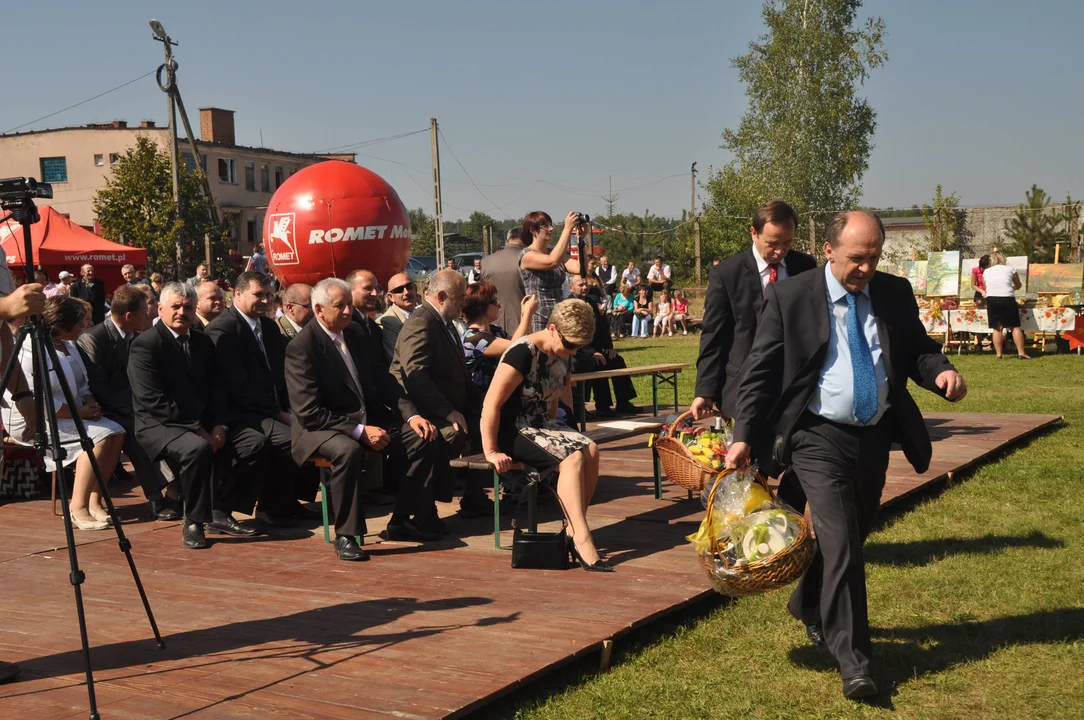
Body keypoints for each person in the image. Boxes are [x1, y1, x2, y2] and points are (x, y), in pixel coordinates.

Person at [726, 210, 967, 700]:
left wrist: (940, 371)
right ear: (830, 250)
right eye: (857, 257)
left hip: (874, 434)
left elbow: (916, 349)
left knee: (855, 532)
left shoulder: (893, 292)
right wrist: (744, 434)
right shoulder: (790, 296)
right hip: (816, 437)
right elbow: (760, 373)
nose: (866, 267)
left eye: (874, 257)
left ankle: (809, 602)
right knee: (842, 545)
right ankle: (856, 664)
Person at [287, 278, 439, 558]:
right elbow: (309, 411)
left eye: (348, 305)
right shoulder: (302, 347)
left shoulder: (356, 334)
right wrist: (358, 430)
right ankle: (347, 535)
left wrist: (411, 416)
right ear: (319, 310)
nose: (347, 311)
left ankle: (402, 520)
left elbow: (385, 381)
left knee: (423, 437)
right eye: (339, 306)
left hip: (363, 420)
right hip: (319, 428)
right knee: (348, 450)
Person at [481, 299, 610, 571]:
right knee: (572, 458)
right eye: (570, 345)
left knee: (591, 449)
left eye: (578, 347)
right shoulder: (521, 353)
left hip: (542, 425)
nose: (572, 351)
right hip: (514, 428)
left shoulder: (562, 351)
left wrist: (562, 430)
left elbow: (554, 399)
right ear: (552, 329)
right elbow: (491, 404)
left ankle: (576, 526)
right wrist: (491, 451)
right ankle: (581, 537)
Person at [4, 296, 126, 530]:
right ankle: (77, 507)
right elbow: (38, 401)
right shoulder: (29, 350)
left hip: (72, 411)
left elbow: (82, 384)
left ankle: (94, 499)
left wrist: (90, 403)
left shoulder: (70, 346)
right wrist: (80, 412)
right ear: (62, 325)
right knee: (95, 439)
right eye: (80, 323)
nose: (86, 327)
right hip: (32, 419)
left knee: (117, 432)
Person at [692, 200, 818, 422]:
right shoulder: (727, 274)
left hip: (796, 387)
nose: (780, 251)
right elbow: (714, 335)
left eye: (787, 242)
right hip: (743, 387)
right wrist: (705, 390)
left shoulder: (805, 267)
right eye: (772, 243)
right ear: (754, 233)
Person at [128, 282, 230, 549]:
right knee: (197, 449)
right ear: (160, 309)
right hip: (158, 423)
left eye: (188, 307)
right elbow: (152, 400)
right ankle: (194, 521)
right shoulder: (146, 345)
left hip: (198, 419)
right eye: (175, 306)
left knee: (249, 440)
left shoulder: (202, 342)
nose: (181, 312)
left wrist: (220, 423)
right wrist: (198, 428)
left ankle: (221, 511)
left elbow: (216, 386)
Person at [206, 271, 310, 532]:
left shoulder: (269, 327)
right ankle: (223, 508)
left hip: (268, 408)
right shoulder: (224, 329)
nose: (265, 300)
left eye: (268, 295)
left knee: (305, 433)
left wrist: (290, 406)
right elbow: (237, 385)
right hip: (239, 412)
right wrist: (279, 414)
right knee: (289, 439)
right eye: (258, 295)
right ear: (237, 295)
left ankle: (278, 504)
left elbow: (279, 373)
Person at [391, 269, 486, 525]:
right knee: (447, 434)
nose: (463, 304)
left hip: (450, 404)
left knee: (487, 426)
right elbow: (414, 375)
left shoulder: (445, 323)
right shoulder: (422, 322)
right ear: (442, 296)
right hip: (424, 411)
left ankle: (473, 496)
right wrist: (447, 412)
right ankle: (417, 513)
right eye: (459, 298)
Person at [78, 285, 178, 521]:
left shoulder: (137, 337)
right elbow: (99, 387)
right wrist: (138, 409)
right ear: (129, 316)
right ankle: (156, 497)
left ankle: (178, 487)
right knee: (137, 433)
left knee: (174, 423)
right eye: (145, 312)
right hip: (106, 409)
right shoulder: (93, 339)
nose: (149, 316)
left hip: (135, 405)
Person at [568, 275, 638, 417]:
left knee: (617, 360)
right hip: (577, 351)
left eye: (585, 284)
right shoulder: (569, 306)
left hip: (596, 349)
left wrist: (609, 347)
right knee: (593, 363)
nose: (584, 287)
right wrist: (591, 352)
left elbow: (602, 327)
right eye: (580, 285)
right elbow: (572, 334)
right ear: (571, 288)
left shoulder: (591, 302)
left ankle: (623, 402)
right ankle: (595, 407)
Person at [462, 283, 537, 394]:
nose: (499, 306)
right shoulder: (472, 338)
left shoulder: (495, 330)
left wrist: (524, 315)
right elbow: (515, 347)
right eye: (494, 302)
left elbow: (524, 342)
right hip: (481, 402)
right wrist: (527, 315)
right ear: (481, 305)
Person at [517, 211, 582, 332]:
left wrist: (581, 240)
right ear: (532, 230)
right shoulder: (526, 255)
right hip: (539, 317)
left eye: (551, 225)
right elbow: (552, 262)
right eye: (545, 226)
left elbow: (579, 268)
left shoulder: (553, 250)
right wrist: (567, 229)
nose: (551, 229)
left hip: (559, 315)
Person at [982, 251, 1030, 359]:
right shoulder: (1010, 269)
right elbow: (1018, 285)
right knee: (1015, 327)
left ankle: (999, 354)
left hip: (992, 299)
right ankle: (1021, 352)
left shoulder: (986, 272)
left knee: (997, 328)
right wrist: (1013, 288)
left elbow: (986, 287)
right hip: (1007, 298)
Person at [481, 227, 526, 330]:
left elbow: (482, 294)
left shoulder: (486, 261)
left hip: (492, 324)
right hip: (523, 324)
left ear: (507, 242)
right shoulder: (529, 261)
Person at [376, 272, 417, 363]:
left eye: (409, 286)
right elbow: (400, 361)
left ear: (415, 288)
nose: (406, 292)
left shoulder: (422, 314)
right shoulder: (386, 322)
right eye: (399, 290)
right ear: (391, 297)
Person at [969, 255, 991, 352]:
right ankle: (979, 342)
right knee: (979, 316)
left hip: (991, 292)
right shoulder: (975, 270)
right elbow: (973, 285)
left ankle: (993, 341)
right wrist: (982, 291)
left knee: (991, 316)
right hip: (979, 294)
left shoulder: (992, 271)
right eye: (982, 267)